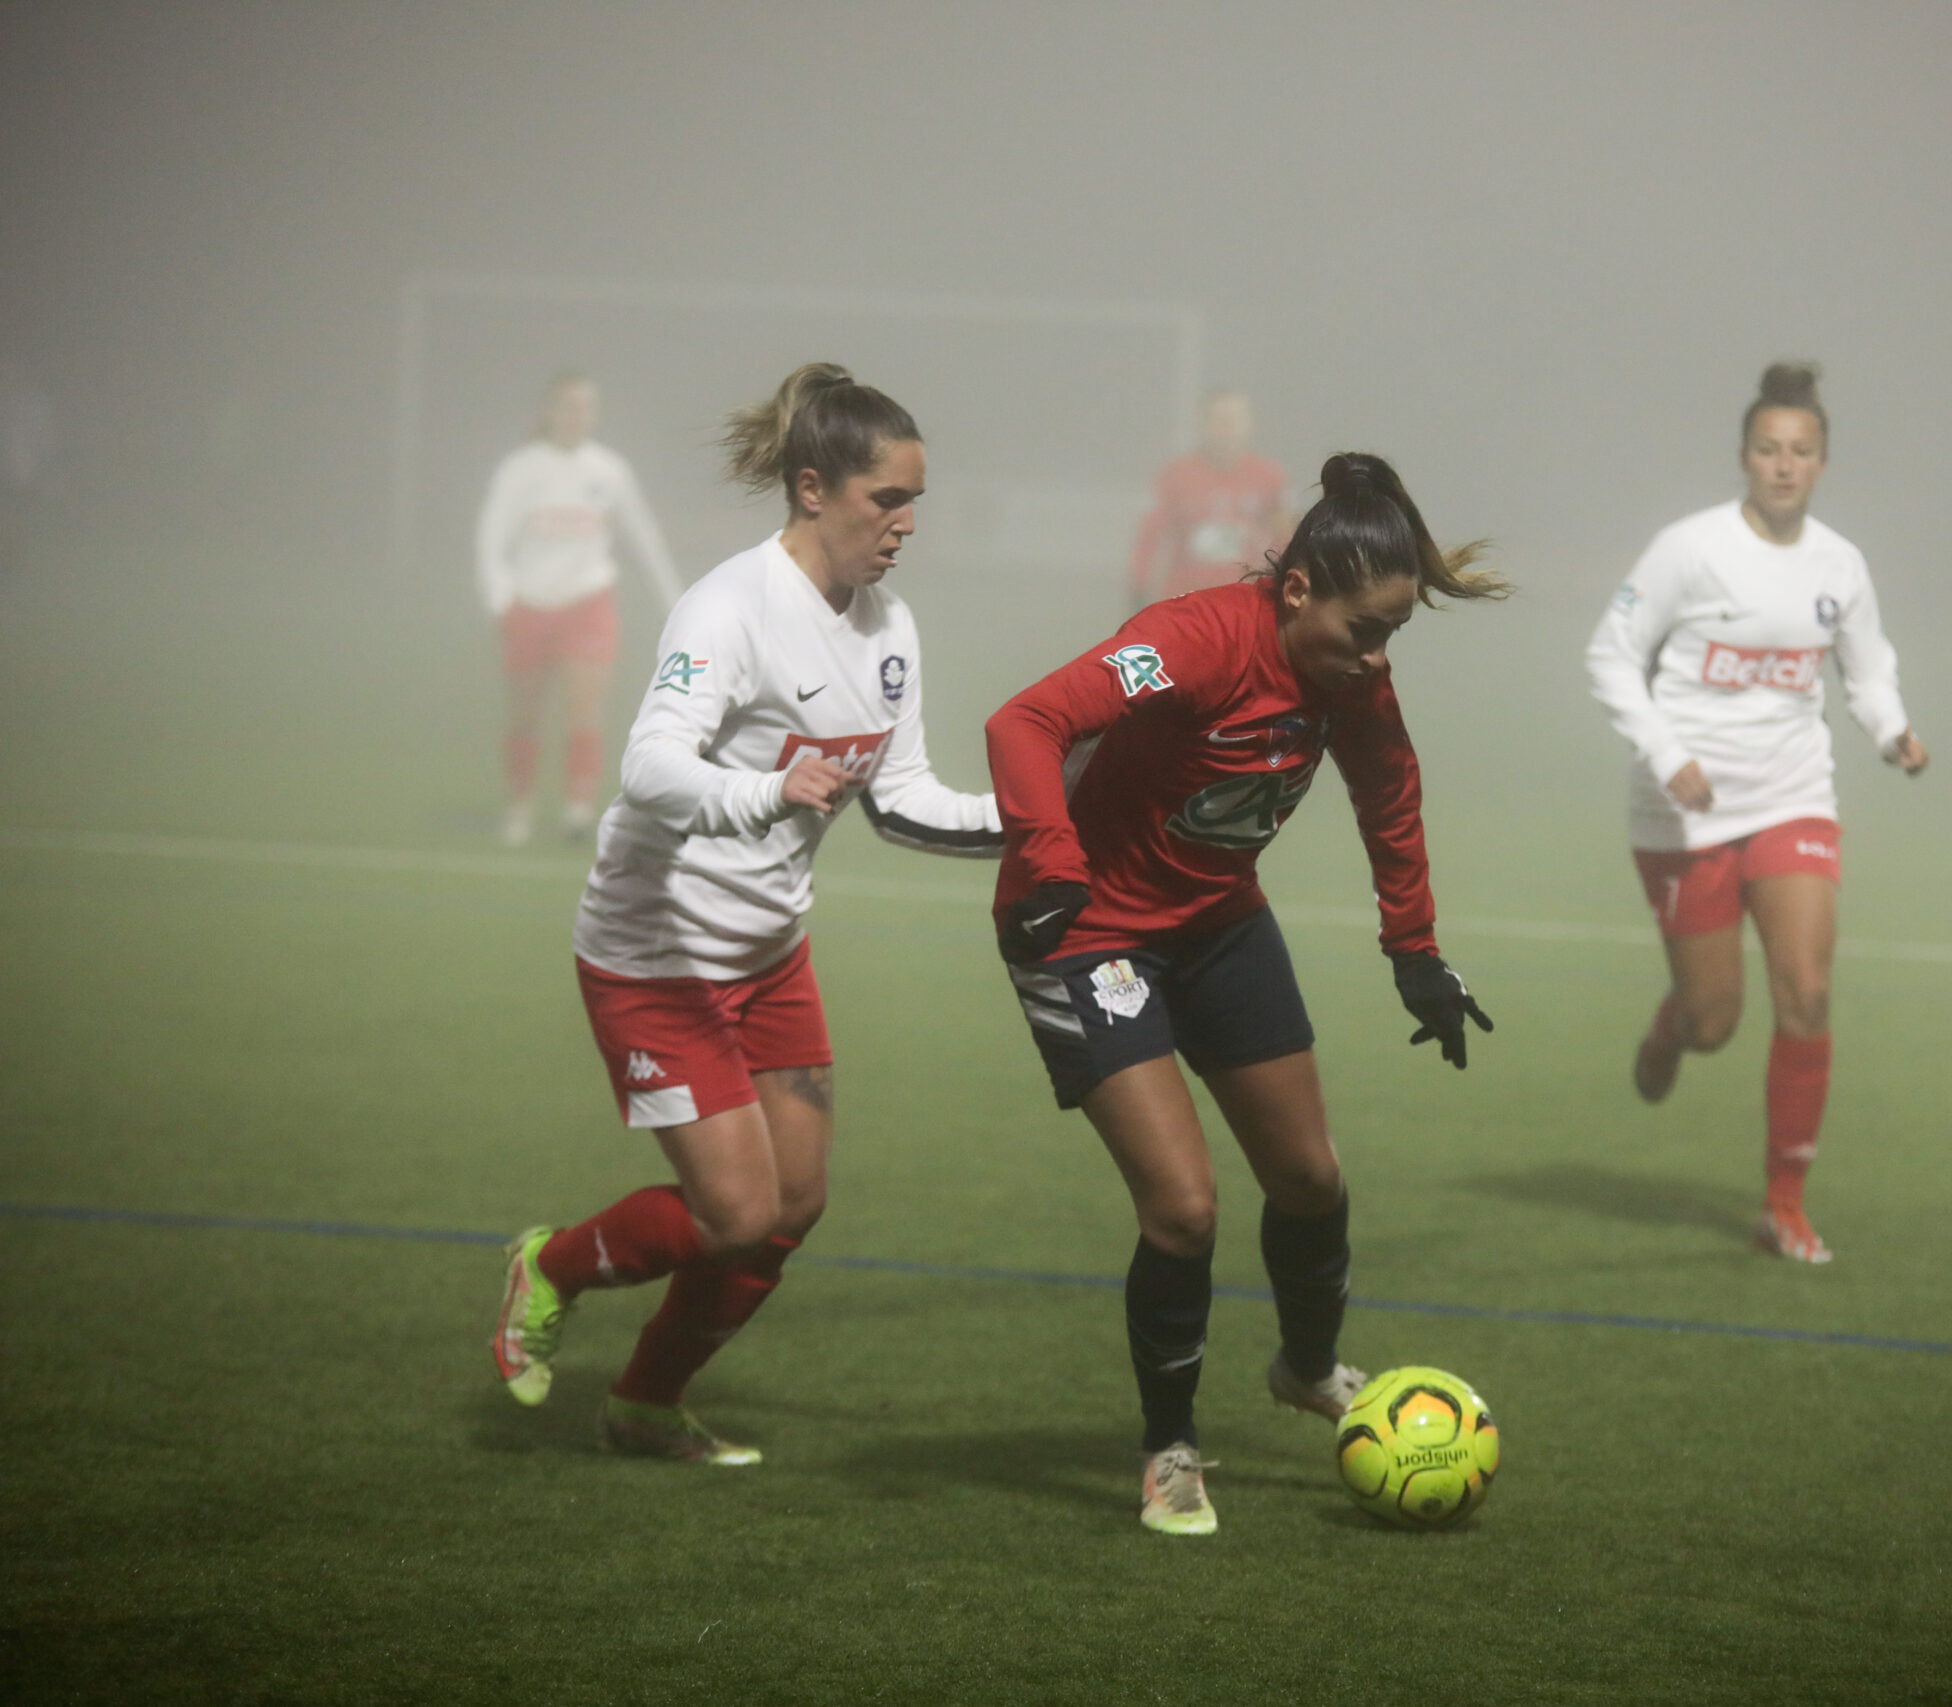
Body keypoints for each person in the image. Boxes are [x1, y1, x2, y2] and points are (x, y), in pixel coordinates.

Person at [490, 363, 1003, 1464]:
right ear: (813, 488)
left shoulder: (889, 627)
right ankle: (551, 1265)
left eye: (917, 500)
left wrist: (1042, 821)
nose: (906, 523)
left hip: (770, 954)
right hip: (654, 954)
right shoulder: (728, 608)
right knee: (731, 1213)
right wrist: (763, 792)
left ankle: (643, 1405)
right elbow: (650, 768)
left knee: (793, 1205)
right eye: (888, 500)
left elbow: (906, 799)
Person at [987, 452, 1503, 1535]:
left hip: (1218, 924)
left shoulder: (1351, 679)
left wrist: (1414, 954)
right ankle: (1169, 1448)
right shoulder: (1191, 641)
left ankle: (1307, 1367)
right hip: (1085, 933)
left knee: (1310, 1179)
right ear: (1298, 587)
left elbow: (1389, 792)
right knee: (1182, 1207)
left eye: (1392, 638)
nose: (1373, 659)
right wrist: (1050, 861)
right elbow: (1025, 722)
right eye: (1362, 629)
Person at [1585, 361, 1929, 1265]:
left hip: (1792, 794)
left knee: (1807, 992)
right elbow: (1610, 656)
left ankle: (1784, 1203)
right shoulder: (1689, 548)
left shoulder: (1838, 564)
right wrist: (1670, 754)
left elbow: (1866, 666)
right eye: (1769, 449)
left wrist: (1891, 729)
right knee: (1714, 1022)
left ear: (1822, 463)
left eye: (1801, 451)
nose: (1784, 465)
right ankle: (1674, 1026)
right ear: (1745, 456)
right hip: (1683, 805)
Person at [477, 371, 685, 846]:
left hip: (589, 602)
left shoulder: (608, 471)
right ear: (548, 412)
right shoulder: (520, 469)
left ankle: (578, 807)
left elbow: (642, 533)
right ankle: (521, 804)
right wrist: (500, 595)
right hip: (530, 604)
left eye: (586, 407)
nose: (577, 416)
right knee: (526, 712)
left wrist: (675, 599)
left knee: (585, 708)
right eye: (567, 406)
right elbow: (491, 535)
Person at [1125, 389, 1292, 610]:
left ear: (1249, 423)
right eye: (1220, 420)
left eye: (1236, 419)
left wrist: (1285, 584)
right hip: (1186, 600)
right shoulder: (1175, 475)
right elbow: (1150, 537)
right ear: (1203, 424)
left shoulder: (1269, 476)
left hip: (1245, 601)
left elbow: (1285, 537)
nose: (1228, 428)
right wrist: (1139, 587)